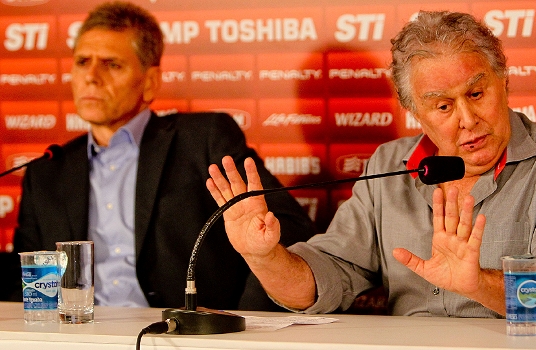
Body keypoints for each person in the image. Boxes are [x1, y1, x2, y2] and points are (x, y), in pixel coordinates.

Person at [206, 10, 536, 320]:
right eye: (442, 106)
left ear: (504, 81)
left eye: (476, 93)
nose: (468, 120)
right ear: (414, 111)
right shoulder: (390, 164)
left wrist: (481, 285)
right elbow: (329, 277)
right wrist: (263, 257)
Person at [8, 1, 316, 310]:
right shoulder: (47, 170)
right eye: (82, 61)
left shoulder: (203, 140)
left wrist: (239, 323)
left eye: (112, 64)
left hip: (183, 336)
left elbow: (283, 228)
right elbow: (27, 280)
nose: (92, 76)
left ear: (151, 81)